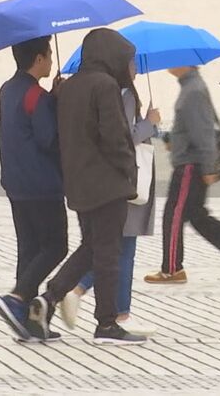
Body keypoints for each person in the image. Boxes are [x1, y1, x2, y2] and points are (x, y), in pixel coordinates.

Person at [26, 28, 145, 345]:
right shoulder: (105, 85)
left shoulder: (71, 86)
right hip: (107, 184)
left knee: (91, 247)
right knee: (108, 255)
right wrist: (128, 171)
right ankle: (107, 324)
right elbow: (114, 136)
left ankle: (49, 298)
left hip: (78, 183)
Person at [60, 84, 161, 337]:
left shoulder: (101, 92)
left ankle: (79, 291)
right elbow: (124, 136)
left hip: (104, 181)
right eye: (131, 64)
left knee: (114, 249)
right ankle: (117, 313)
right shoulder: (123, 94)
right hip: (124, 182)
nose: (135, 69)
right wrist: (149, 123)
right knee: (123, 250)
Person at [144, 66, 220, 284]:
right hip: (190, 162)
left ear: (185, 63)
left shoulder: (193, 90)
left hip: (190, 166)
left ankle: (172, 269)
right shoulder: (190, 88)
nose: (169, 64)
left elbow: (203, 132)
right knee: (197, 216)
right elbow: (190, 129)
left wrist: (209, 166)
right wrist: (171, 140)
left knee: (174, 216)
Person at [0, 36, 68, 343]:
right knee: (56, 246)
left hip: (15, 182)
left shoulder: (8, 89)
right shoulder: (37, 95)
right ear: (38, 59)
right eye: (49, 55)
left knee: (30, 249)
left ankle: (26, 322)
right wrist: (56, 103)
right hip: (42, 184)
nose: (51, 60)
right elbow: (49, 139)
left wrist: (51, 98)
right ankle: (17, 297)